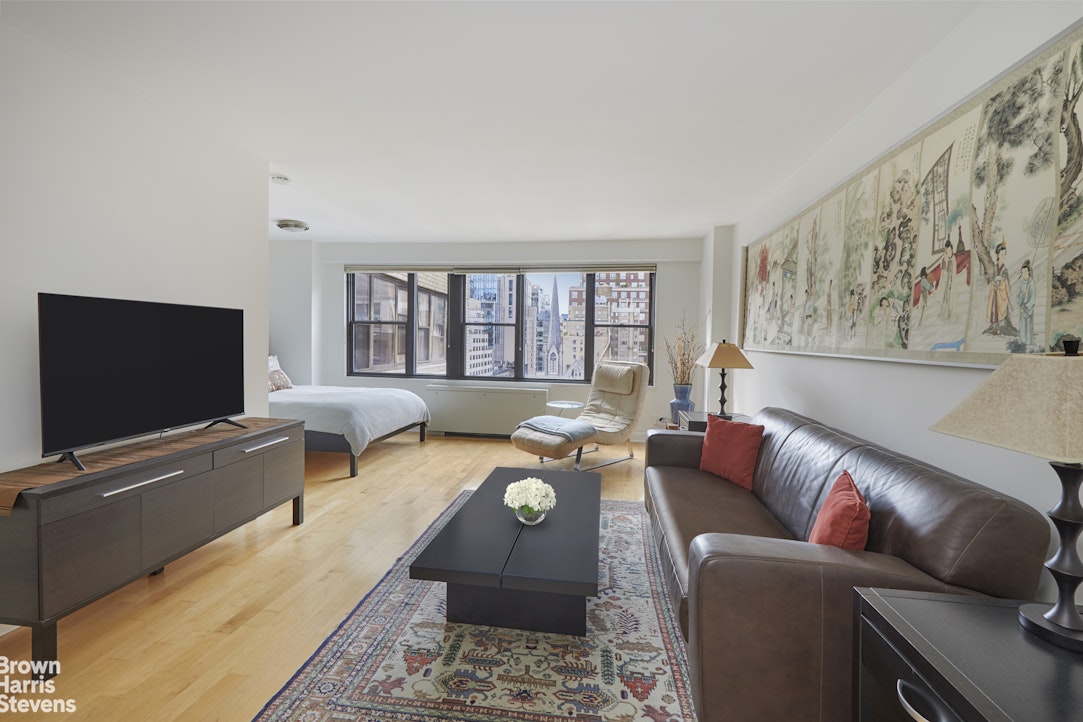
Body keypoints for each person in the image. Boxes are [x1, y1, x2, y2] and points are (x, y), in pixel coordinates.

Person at [985, 242, 1015, 335]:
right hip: (995, 291)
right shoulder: (995, 266)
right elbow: (991, 278)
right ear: (997, 254)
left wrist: (1002, 280)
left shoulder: (1004, 268)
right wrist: (994, 281)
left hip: (1001, 292)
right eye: (1001, 254)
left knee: (1001, 308)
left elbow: (1006, 281)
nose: (1003, 256)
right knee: (994, 309)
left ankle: (1001, 327)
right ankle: (994, 327)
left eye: (1004, 254)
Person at [1017, 259, 1035, 346]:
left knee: (1028, 327)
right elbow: (1017, 298)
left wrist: (1027, 306)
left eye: (1025, 272)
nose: (1023, 274)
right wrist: (1022, 294)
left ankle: (1029, 343)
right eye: (1022, 272)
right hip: (1022, 309)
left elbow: (1033, 298)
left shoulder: (1031, 283)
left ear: (1028, 272)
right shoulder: (1021, 284)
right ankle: (1022, 343)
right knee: (1022, 327)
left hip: (1028, 309)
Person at [938, 239, 955, 321]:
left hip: (951, 280)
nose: (948, 252)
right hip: (945, 280)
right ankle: (942, 313)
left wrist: (951, 281)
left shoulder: (953, 259)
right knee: (944, 297)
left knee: (950, 297)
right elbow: (943, 269)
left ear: (951, 249)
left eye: (949, 250)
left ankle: (949, 313)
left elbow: (953, 271)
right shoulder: (945, 259)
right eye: (946, 250)